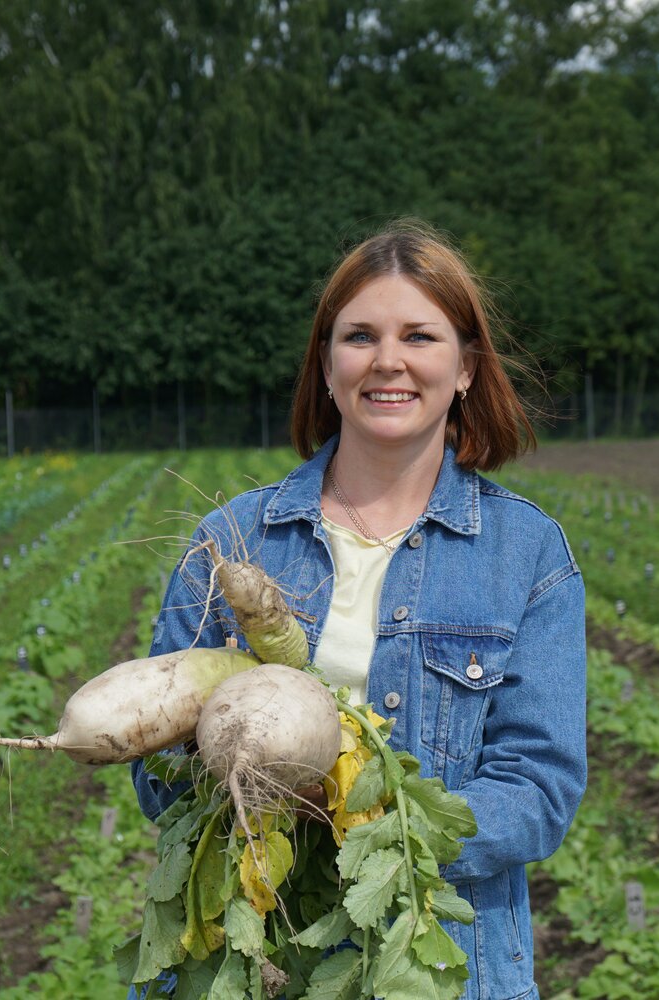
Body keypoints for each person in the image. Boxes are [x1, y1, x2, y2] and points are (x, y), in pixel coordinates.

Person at [131, 218, 586, 1000]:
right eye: (359, 336)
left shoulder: (527, 555)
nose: (388, 361)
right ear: (327, 363)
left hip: (438, 963)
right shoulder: (231, 540)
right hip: (251, 960)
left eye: (420, 336)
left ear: (467, 367)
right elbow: (155, 768)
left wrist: (361, 811)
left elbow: (537, 791)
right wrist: (256, 787)